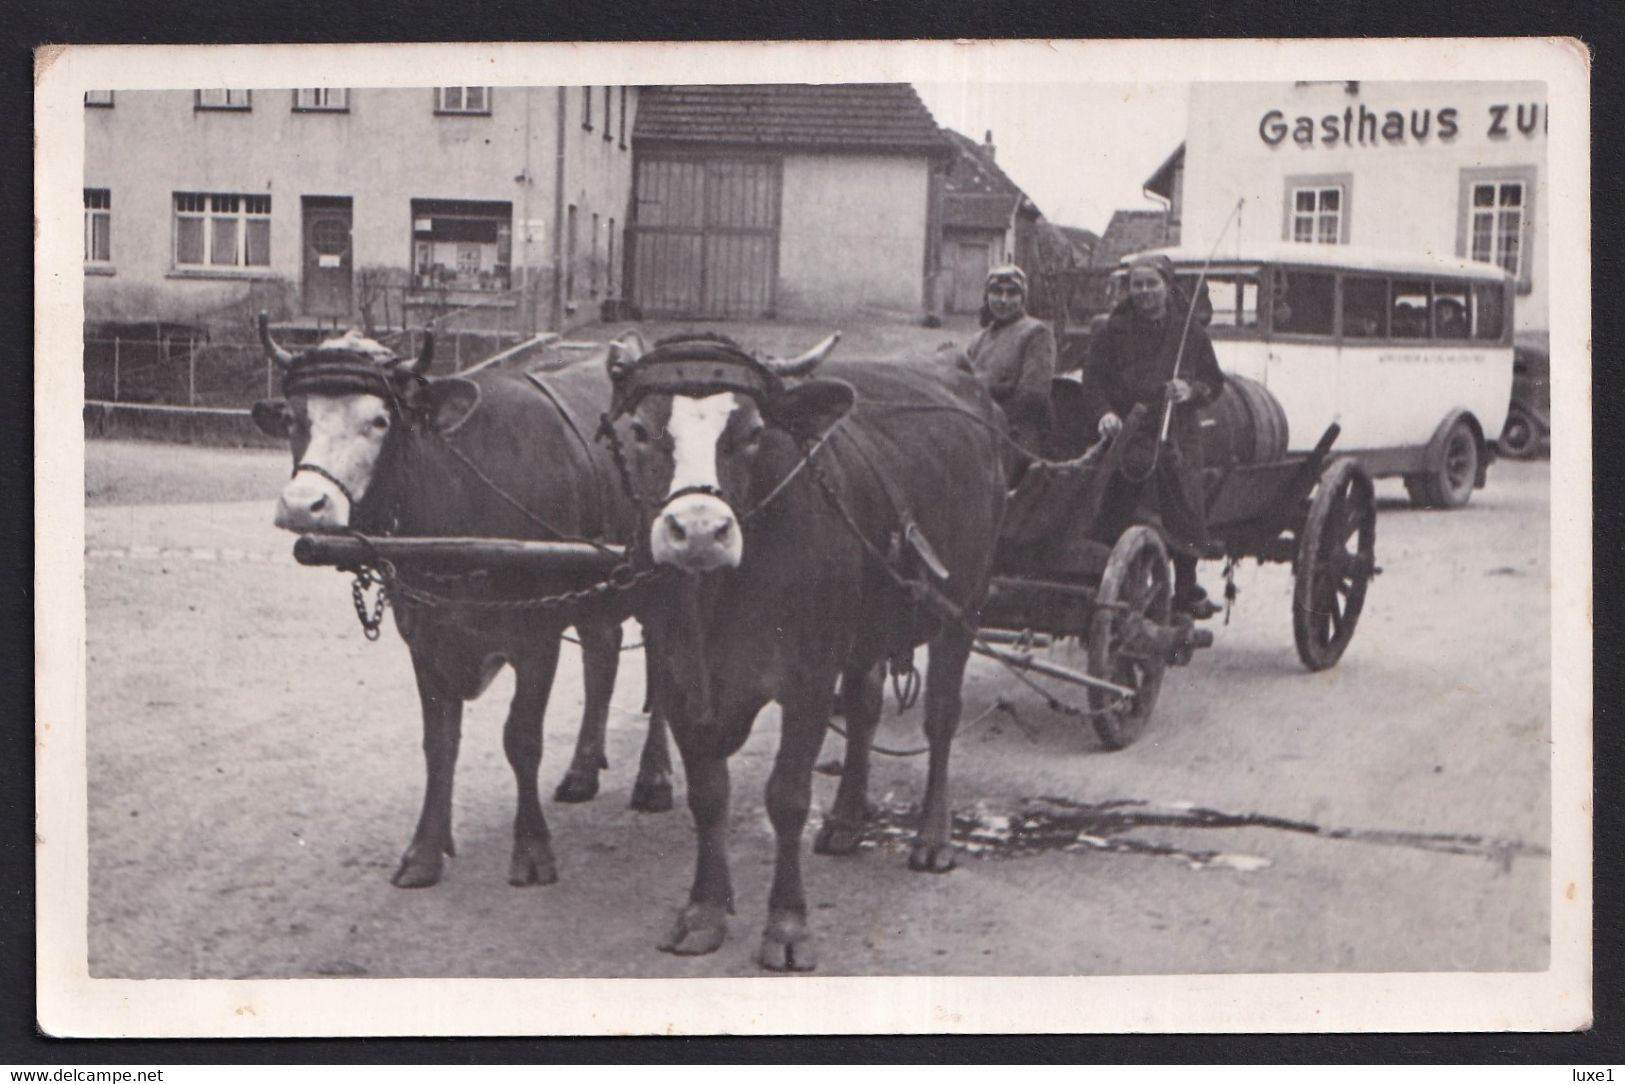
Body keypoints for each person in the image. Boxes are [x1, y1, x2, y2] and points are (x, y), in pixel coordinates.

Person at [1084, 253, 1226, 616]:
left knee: (1181, 488)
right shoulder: (1112, 330)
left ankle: (1187, 584)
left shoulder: (1188, 332)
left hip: (1174, 429)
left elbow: (1213, 381)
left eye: (1151, 284)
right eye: (1137, 285)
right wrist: (1104, 414)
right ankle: (1104, 563)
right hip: (1125, 427)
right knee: (1114, 480)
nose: (1144, 292)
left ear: (1167, 286)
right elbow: (1093, 380)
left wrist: (1189, 390)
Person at [964, 264, 1056, 465]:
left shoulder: (1036, 333)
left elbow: (1034, 395)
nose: (1003, 300)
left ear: (1022, 298)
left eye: (1012, 293)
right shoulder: (978, 340)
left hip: (1016, 438)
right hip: (978, 431)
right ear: (987, 296)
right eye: (996, 292)